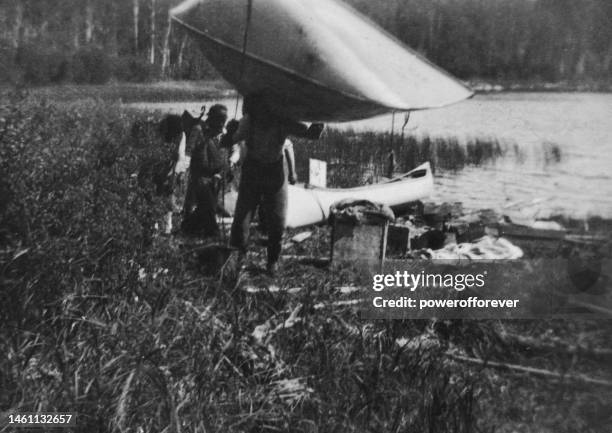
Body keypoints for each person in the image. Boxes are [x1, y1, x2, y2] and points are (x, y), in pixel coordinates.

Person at [225, 94, 324, 276]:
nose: (264, 113)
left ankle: (273, 261)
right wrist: (231, 132)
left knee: (277, 220)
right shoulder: (249, 121)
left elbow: (309, 134)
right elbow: (232, 139)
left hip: (274, 171)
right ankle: (236, 261)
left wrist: (320, 124)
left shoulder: (282, 121)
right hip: (253, 170)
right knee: (242, 219)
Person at [181, 104, 228, 237]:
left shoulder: (220, 132)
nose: (221, 124)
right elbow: (189, 151)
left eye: (223, 121)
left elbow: (224, 151)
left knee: (206, 206)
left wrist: (222, 172)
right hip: (200, 175)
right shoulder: (199, 129)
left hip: (215, 176)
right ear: (211, 118)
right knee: (208, 206)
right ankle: (212, 232)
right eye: (219, 120)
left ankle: (189, 227)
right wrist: (183, 170)